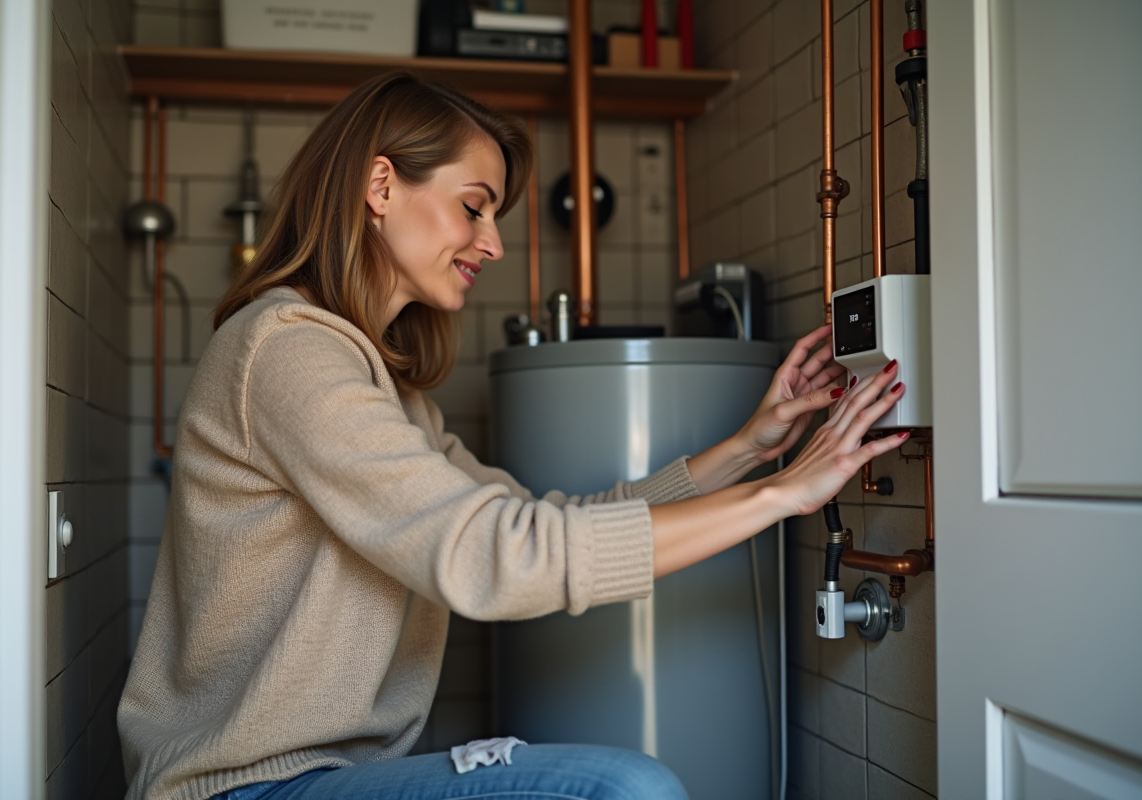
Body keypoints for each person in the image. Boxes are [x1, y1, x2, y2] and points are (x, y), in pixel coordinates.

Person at [117, 71, 907, 800]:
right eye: (473, 205)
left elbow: (538, 525)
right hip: (245, 788)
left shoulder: (385, 391)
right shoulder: (288, 351)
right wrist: (782, 496)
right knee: (624, 792)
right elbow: (496, 556)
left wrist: (748, 451)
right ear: (381, 185)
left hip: (326, 779)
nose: (492, 243)